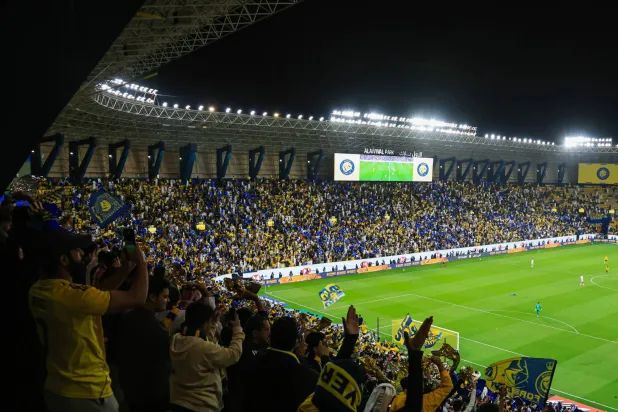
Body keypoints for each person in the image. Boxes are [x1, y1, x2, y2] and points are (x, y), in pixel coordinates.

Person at [28, 230, 148, 412]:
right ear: (64, 260)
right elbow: (137, 298)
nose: (82, 254)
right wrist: (142, 263)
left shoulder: (38, 290)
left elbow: (98, 295)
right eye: (77, 251)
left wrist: (126, 268)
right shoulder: (73, 297)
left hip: (57, 386)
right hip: (87, 391)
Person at [169, 301, 244, 412]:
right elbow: (233, 354)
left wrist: (213, 323)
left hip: (177, 401)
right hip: (201, 405)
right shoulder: (203, 348)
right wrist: (238, 330)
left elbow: (203, 342)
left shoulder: (177, 338)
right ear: (204, 325)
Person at [116, 276, 172, 412]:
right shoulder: (157, 329)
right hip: (150, 395)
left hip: (128, 390)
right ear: (153, 297)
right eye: (165, 297)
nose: (168, 300)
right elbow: (160, 367)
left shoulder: (125, 317)